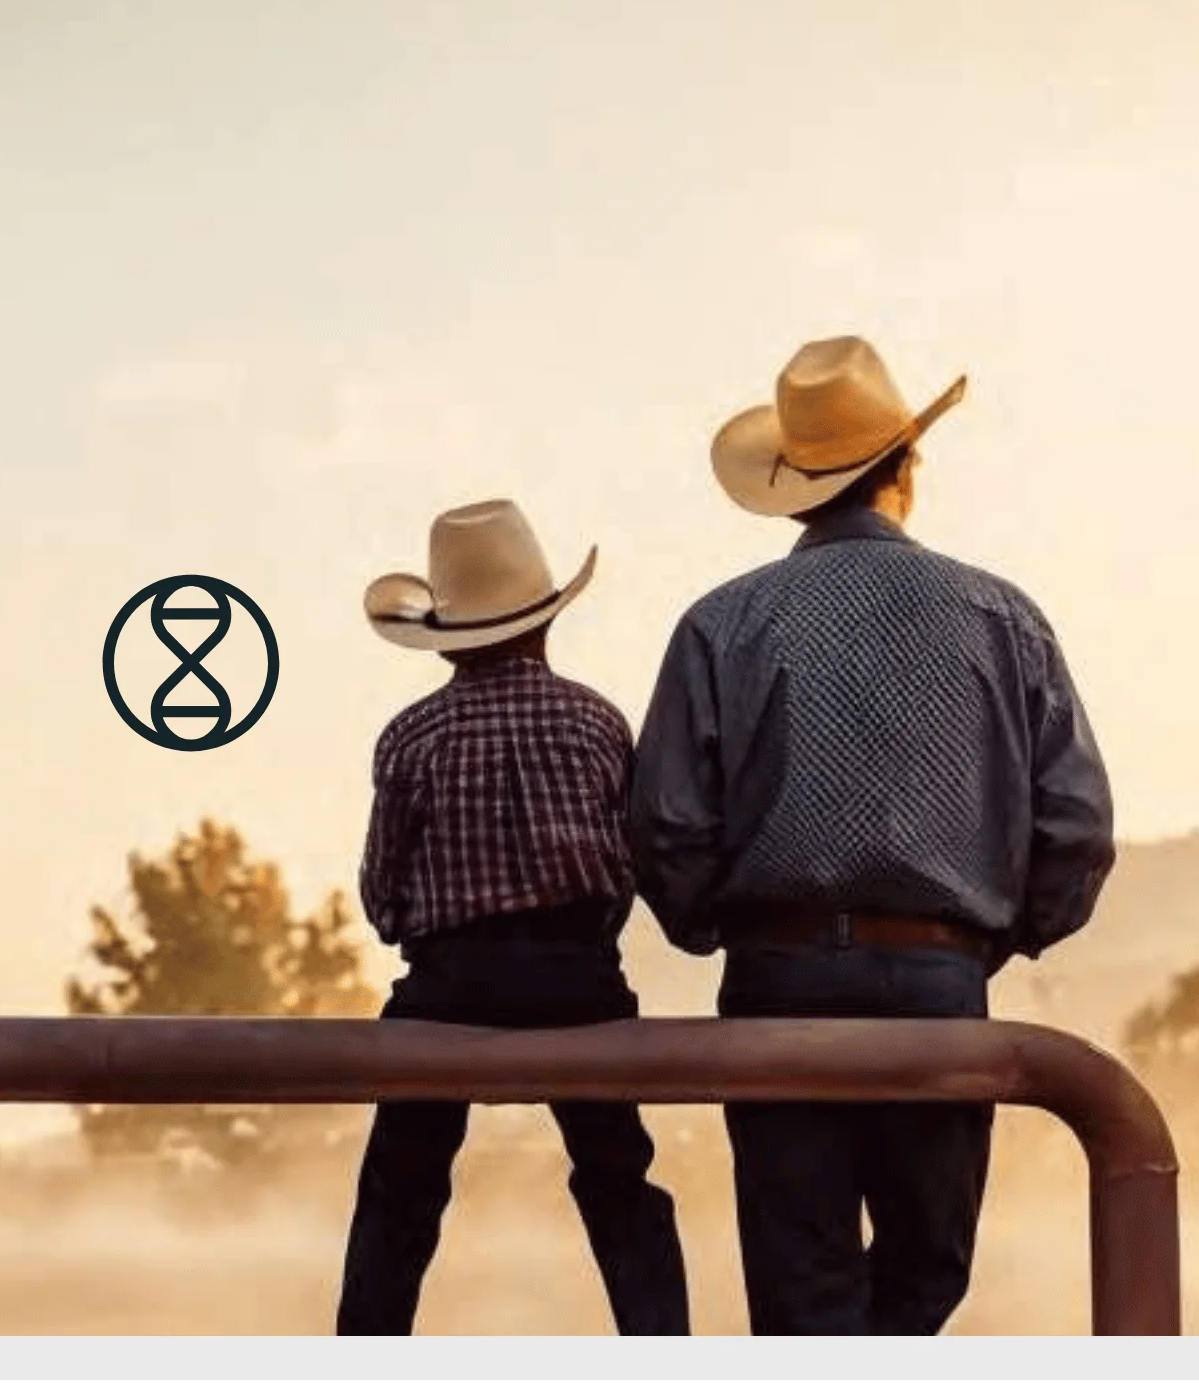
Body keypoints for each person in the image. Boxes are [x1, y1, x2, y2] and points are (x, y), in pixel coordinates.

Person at [625, 336, 1117, 1335]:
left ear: (796, 487)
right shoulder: (1001, 616)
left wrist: (715, 928)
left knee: (801, 1289)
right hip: (936, 985)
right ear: (909, 468)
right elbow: (1075, 824)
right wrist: (994, 938)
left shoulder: (722, 623)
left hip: (777, 986)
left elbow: (666, 825)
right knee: (924, 1281)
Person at [337, 498, 692, 1336]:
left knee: (401, 1187)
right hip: (579, 980)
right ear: (545, 621)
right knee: (619, 1178)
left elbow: (384, 898)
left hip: (449, 985)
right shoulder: (598, 722)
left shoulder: (410, 737)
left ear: (448, 638)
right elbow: (628, 863)